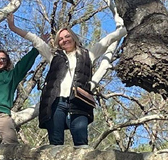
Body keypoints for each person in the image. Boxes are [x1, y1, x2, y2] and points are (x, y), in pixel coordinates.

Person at [8, 17, 125, 146]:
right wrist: (13, 27)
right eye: (61, 39)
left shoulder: (88, 55)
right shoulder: (54, 58)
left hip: (79, 101)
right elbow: (36, 41)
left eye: (67, 36)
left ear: (74, 38)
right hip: (56, 102)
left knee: (81, 142)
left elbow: (108, 39)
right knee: (56, 143)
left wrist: (132, 26)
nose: (65, 40)